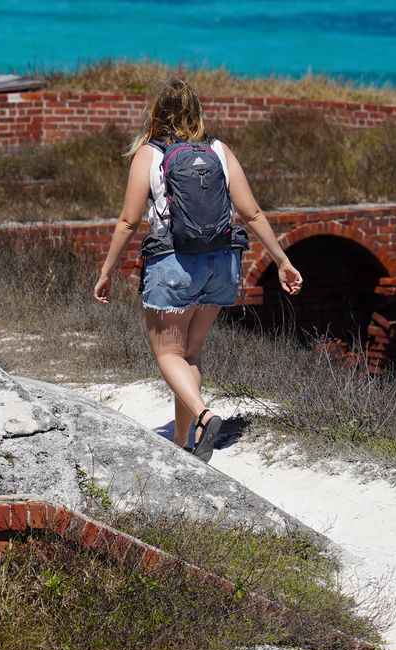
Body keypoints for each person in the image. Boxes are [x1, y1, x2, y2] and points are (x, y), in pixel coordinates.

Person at [92, 77, 302, 459]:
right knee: (190, 353)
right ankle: (182, 442)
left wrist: (106, 271)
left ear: (157, 113)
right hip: (223, 263)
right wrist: (283, 261)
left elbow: (128, 220)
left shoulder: (150, 154)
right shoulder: (219, 150)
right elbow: (251, 212)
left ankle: (203, 415)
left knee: (168, 353)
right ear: (198, 113)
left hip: (173, 263)